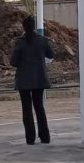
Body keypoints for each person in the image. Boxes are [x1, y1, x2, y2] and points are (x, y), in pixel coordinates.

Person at [10, 15, 55, 145]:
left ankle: (30, 139)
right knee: (39, 107)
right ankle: (45, 137)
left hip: (23, 81)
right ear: (34, 26)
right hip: (39, 79)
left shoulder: (19, 42)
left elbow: (13, 62)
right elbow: (51, 54)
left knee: (27, 109)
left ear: (23, 27)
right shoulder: (42, 40)